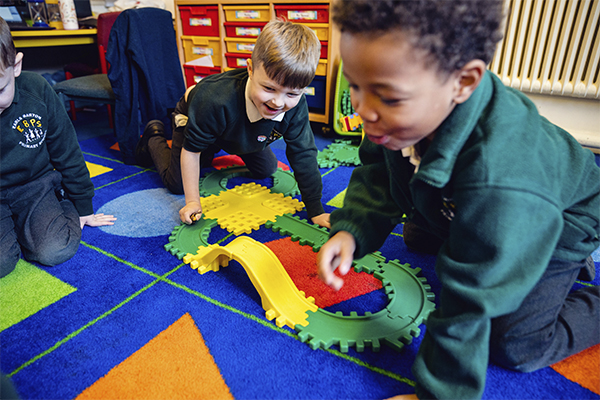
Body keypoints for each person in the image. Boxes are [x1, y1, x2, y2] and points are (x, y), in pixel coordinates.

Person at [316, 1, 600, 399]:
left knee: (514, 345)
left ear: (463, 82)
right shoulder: (394, 114)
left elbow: (471, 296)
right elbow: (379, 171)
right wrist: (353, 230)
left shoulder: (500, 177)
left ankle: (562, 264)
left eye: (388, 98)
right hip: (473, 195)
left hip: (563, 219)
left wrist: (439, 393)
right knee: (418, 234)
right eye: (356, 86)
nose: (363, 110)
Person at [135, 19, 330, 227]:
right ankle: (153, 137)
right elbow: (191, 151)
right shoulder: (214, 100)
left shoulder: (295, 106)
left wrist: (315, 210)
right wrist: (193, 202)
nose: (278, 102)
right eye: (269, 88)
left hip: (235, 128)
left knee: (266, 169)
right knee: (177, 184)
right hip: (196, 115)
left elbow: (304, 154)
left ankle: (214, 144)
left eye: (291, 94)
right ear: (250, 69)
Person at [0, 17, 116, 279]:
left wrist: (83, 207)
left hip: (34, 185)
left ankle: (60, 201)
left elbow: (67, 150)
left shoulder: (37, 90)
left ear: (15, 66)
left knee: (54, 250)